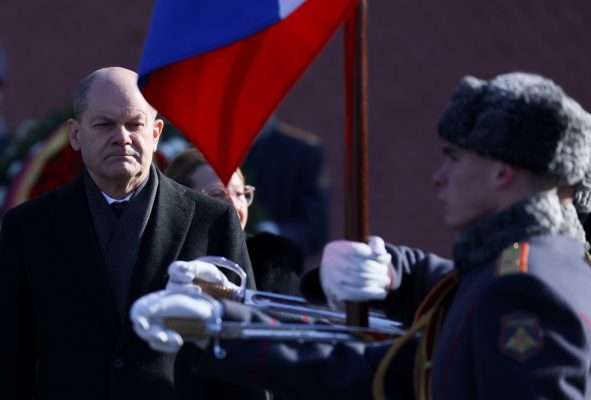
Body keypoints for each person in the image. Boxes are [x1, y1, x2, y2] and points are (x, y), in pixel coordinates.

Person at [131, 72, 591, 399]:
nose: (439, 176)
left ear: (502, 172)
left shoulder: (525, 287)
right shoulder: (518, 265)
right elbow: (387, 367)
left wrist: (223, 328)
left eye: (454, 157)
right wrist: (224, 326)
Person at [0, 66, 259, 400]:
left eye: (135, 124)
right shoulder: (30, 226)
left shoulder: (210, 221)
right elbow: (10, 359)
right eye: (105, 124)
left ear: (156, 133)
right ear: (76, 135)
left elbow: (244, 349)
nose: (121, 137)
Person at [165, 148, 303, 295]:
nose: (234, 205)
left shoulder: (273, 260)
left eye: (239, 193)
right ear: (182, 203)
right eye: (216, 194)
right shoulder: (165, 255)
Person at [242, 116, 330, 260]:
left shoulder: (302, 151)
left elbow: (315, 227)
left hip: (275, 265)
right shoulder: (203, 147)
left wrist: (272, 231)